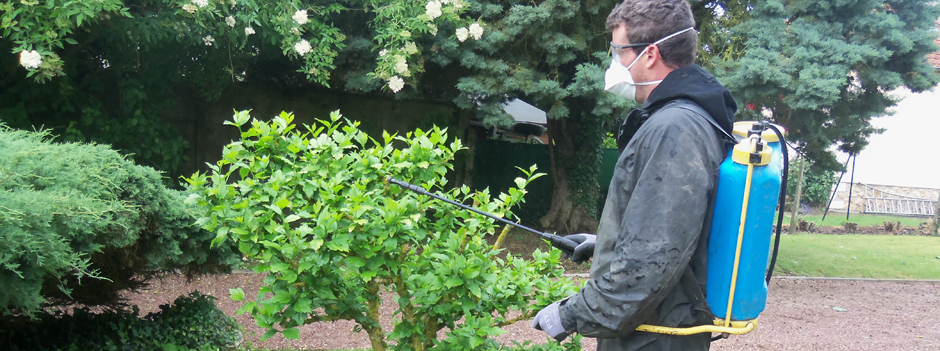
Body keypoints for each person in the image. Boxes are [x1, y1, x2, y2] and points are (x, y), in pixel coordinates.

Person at [530, 0, 738, 350]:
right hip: (661, 323)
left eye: (619, 51)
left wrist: (571, 315)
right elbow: (675, 231)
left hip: (655, 336)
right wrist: (607, 244)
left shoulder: (676, 128)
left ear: (651, 54)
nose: (616, 63)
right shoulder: (684, 119)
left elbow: (651, 263)